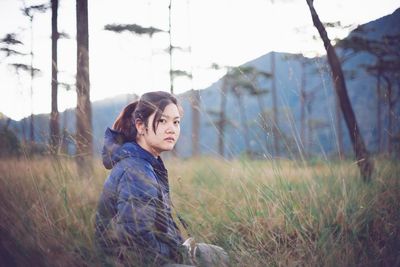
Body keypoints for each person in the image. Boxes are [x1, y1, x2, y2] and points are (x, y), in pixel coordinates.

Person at [95, 91, 185, 266]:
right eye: (162, 120)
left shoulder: (147, 163)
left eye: (176, 122)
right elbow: (136, 243)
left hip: (155, 255)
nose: (171, 129)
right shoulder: (136, 171)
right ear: (141, 126)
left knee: (217, 255)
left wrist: (180, 247)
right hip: (127, 262)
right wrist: (177, 255)